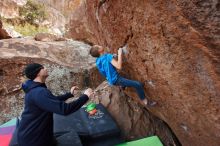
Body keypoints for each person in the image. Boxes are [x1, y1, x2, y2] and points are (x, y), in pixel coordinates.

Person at [17, 63, 93, 146]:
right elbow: (64, 109)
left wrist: (69, 94)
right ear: (38, 73)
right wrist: (85, 96)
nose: (46, 68)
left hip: (36, 136)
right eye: (42, 67)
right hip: (34, 140)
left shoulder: (36, 90)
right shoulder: (39, 92)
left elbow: (51, 102)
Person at [89, 45, 156, 106]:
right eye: (98, 46)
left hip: (110, 79)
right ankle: (145, 102)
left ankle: (123, 85)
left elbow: (103, 71)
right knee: (138, 84)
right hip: (116, 79)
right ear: (99, 50)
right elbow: (119, 66)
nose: (100, 45)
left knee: (123, 80)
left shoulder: (98, 61)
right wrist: (120, 54)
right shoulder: (107, 57)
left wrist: (113, 56)